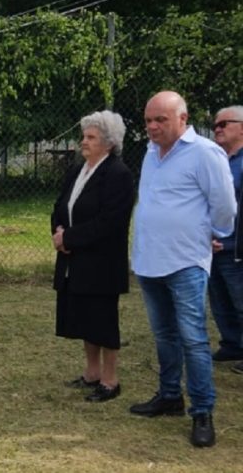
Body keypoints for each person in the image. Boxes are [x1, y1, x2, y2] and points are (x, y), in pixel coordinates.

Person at [130, 90, 236, 448]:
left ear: (183, 119)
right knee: (164, 335)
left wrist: (214, 234)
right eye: (148, 120)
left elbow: (224, 204)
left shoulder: (205, 153)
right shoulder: (149, 153)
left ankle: (203, 410)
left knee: (193, 337)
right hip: (149, 259)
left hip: (185, 260)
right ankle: (170, 395)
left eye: (160, 119)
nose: (152, 127)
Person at [51, 111, 134, 403]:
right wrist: (58, 233)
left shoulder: (118, 174)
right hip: (75, 261)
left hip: (102, 263)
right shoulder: (79, 170)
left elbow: (110, 222)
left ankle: (111, 380)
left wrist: (69, 238)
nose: (83, 142)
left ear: (108, 143)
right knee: (85, 318)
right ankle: (92, 372)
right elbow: (60, 206)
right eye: (83, 136)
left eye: (90, 137)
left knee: (103, 321)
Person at [208, 106, 243, 367]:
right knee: (220, 300)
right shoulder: (216, 159)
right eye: (215, 125)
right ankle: (231, 344)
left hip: (236, 246)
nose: (217, 129)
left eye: (224, 124)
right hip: (212, 245)